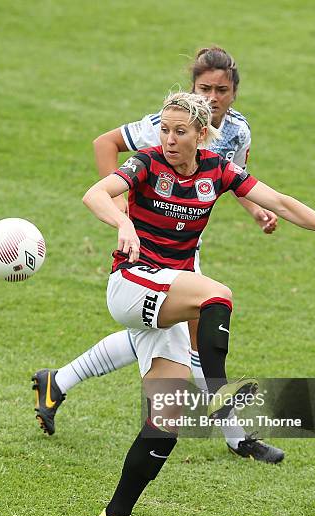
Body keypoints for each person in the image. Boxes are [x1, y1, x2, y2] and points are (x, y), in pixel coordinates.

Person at [78, 91, 315, 516]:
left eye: (179, 131)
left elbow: (281, 201)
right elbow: (95, 193)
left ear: (201, 134)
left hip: (168, 294)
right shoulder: (146, 164)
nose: (169, 139)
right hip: (132, 284)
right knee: (217, 293)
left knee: (167, 418)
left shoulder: (218, 169)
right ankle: (218, 393)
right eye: (165, 130)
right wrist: (122, 222)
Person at [33, 47, 284, 463]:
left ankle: (57, 381)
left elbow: (233, 181)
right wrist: (122, 212)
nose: (212, 97)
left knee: (161, 333)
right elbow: (106, 144)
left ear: (234, 94)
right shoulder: (166, 126)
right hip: (149, 248)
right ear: (191, 89)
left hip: (186, 247)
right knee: (196, 323)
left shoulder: (237, 132)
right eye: (204, 88)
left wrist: (258, 211)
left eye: (221, 90)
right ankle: (236, 434)